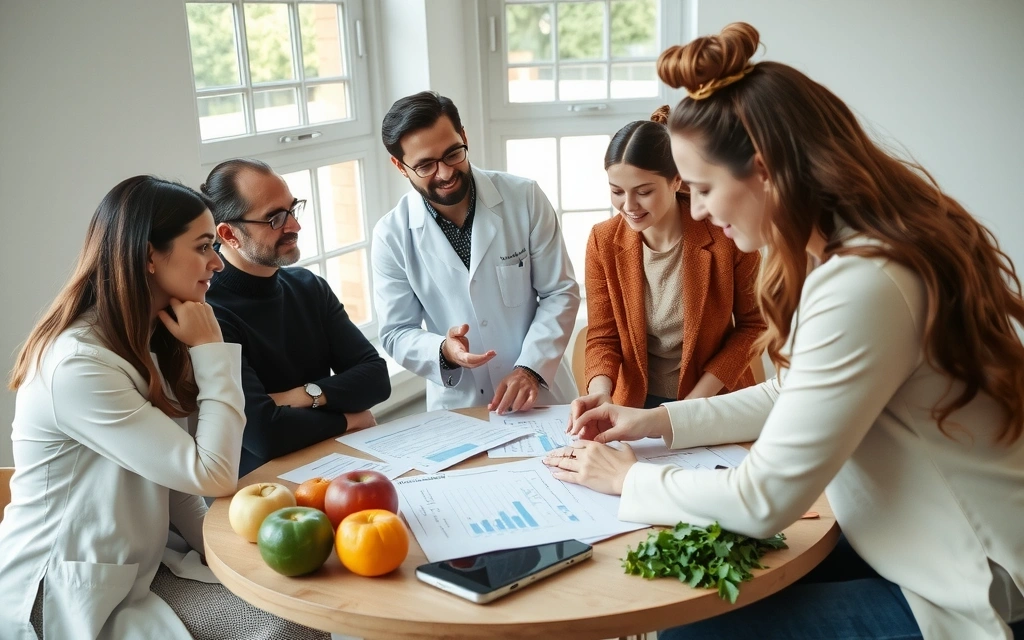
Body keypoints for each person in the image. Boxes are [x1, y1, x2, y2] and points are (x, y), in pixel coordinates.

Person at [545, 22, 1024, 640]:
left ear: (765, 171)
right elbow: (789, 391)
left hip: (968, 581)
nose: (699, 210)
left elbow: (763, 500)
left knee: (693, 632)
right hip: (905, 542)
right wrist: (655, 422)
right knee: (695, 593)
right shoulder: (850, 253)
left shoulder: (866, 282)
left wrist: (626, 477)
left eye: (704, 189)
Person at [0, 177, 327, 639]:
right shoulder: (78, 365)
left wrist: (237, 561)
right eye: (203, 247)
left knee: (295, 605)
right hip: (64, 591)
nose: (217, 262)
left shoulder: (152, 337)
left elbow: (179, 486)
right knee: (284, 628)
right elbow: (212, 474)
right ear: (149, 256)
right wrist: (212, 350)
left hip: (141, 566)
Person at [373, 91, 581, 413]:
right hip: (461, 405)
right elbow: (396, 332)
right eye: (426, 165)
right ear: (400, 166)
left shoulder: (524, 197)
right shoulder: (392, 235)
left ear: (464, 137)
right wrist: (444, 350)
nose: (445, 173)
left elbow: (560, 292)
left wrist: (530, 368)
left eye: (453, 154)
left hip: (540, 394)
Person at [573, 110, 764, 427]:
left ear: (676, 180)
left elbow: (754, 326)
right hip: (636, 405)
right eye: (617, 191)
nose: (629, 206)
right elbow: (603, 336)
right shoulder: (602, 240)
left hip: (712, 401)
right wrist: (601, 393)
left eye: (644, 192)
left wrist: (691, 406)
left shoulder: (726, 234)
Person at [202, 159, 390, 477]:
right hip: (261, 484)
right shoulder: (210, 314)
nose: (294, 226)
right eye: (275, 218)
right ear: (229, 234)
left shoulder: (309, 287)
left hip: (336, 464)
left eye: (292, 209)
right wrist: (349, 419)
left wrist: (301, 397)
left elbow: (376, 379)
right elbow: (264, 433)